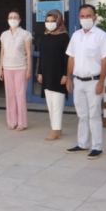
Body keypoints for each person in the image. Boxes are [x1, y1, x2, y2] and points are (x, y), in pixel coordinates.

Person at [65, 4, 106, 159]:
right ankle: (82, 144)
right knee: (82, 115)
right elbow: (71, 57)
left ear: (95, 17)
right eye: (82, 16)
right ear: (79, 18)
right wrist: (69, 77)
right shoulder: (76, 35)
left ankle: (97, 146)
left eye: (88, 16)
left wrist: (101, 82)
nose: (85, 19)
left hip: (94, 81)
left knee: (94, 115)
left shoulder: (101, 36)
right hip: (78, 81)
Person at [37, 9, 69, 141]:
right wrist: (39, 72)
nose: (50, 23)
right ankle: (56, 128)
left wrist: (66, 75)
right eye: (47, 21)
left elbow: (67, 57)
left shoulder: (64, 37)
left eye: (53, 21)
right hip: (47, 73)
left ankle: (55, 130)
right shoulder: (45, 36)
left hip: (58, 74)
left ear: (59, 21)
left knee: (57, 104)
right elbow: (42, 56)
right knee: (50, 103)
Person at [0, 9, 32, 131]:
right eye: (10, 17)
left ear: (19, 20)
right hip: (7, 67)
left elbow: (28, 52)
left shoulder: (25, 34)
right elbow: (2, 52)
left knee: (20, 95)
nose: (12, 20)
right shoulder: (4, 35)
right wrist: (0, 69)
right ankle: (12, 121)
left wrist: (29, 68)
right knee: (10, 95)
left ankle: (22, 123)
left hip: (21, 67)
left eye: (15, 17)